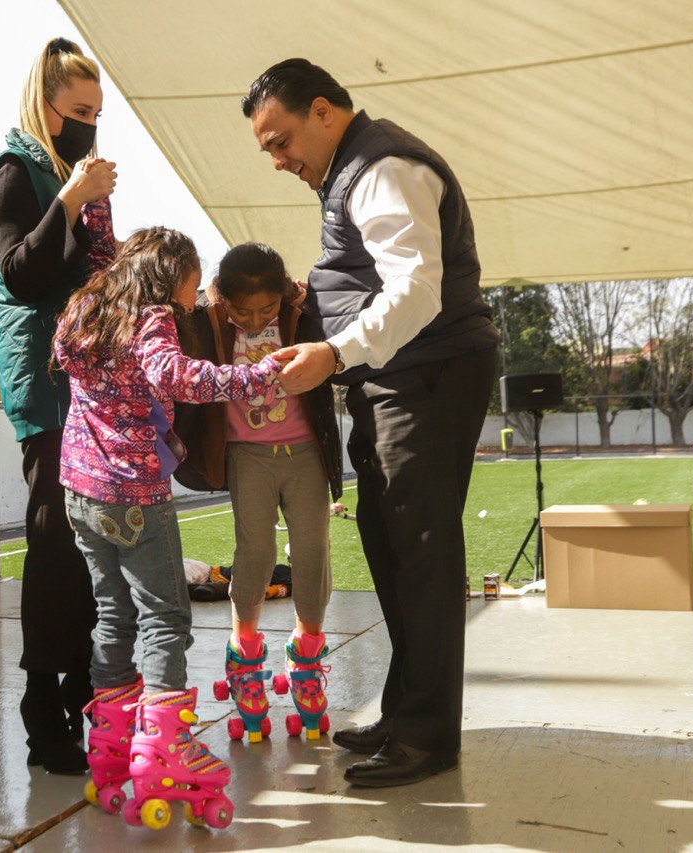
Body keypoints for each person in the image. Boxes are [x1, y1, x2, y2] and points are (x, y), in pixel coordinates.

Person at [242, 58, 500, 787]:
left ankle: (427, 738)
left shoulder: (382, 165)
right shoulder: (351, 172)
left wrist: (333, 349)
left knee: (420, 552)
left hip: (427, 373)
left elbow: (415, 288)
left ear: (323, 111)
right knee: (393, 548)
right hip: (398, 377)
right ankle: (409, 714)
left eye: (280, 138)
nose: (277, 159)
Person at [53, 227, 281, 826]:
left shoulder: (87, 304)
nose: (193, 289)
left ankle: (109, 746)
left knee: (111, 612)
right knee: (165, 616)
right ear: (171, 272)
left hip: (79, 488)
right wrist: (254, 377)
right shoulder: (150, 317)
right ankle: (163, 750)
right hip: (131, 493)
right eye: (191, 276)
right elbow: (175, 376)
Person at [0, 36, 118, 774]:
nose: (90, 123)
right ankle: (43, 705)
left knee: (89, 543)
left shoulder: (66, 176)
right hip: (46, 383)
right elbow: (23, 272)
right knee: (55, 542)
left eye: (97, 111)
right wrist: (71, 198)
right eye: (77, 111)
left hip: (88, 383)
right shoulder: (13, 174)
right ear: (45, 104)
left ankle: (84, 689)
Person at [175, 242, 342, 744]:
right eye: (241, 310)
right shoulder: (209, 320)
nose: (254, 320)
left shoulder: (301, 312)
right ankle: (243, 649)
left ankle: (308, 650)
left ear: (284, 296)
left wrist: (298, 302)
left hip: (305, 453)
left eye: (266, 309)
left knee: (312, 548)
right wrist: (210, 302)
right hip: (246, 455)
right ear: (221, 298)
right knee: (257, 551)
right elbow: (179, 318)